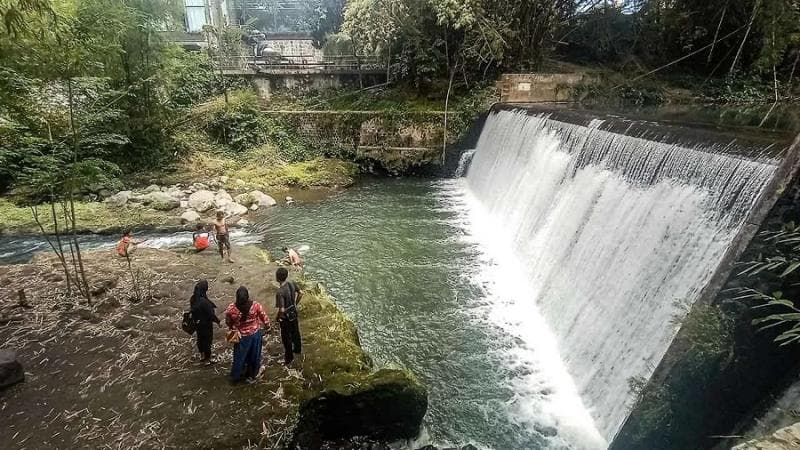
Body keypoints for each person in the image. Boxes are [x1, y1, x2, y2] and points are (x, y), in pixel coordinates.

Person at [225, 286, 269, 383]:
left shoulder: (231, 309)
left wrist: (233, 328)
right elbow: (264, 317)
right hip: (254, 335)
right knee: (254, 355)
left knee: (239, 357)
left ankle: (236, 376)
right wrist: (267, 327)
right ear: (247, 296)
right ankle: (252, 374)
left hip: (240, 336)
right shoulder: (256, 306)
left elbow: (228, 322)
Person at [275, 267, 303, 365]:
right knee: (296, 332)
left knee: (286, 337)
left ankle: (289, 358)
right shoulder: (292, 283)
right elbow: (301, 293)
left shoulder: (280, 292)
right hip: (293, 312)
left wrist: (278, 317)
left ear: (277, 278)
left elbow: (282, 309)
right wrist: (295, 304)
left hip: (286, 317)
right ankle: (298, 350)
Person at [189, 279, 220, 365]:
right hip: (206, 324)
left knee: (200, 338)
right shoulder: (204, 302)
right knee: (207, 341)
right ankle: (207, 359)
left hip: (197, 323)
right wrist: (218, 322)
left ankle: (202, 355)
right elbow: (210, 314)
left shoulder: (193, 298)